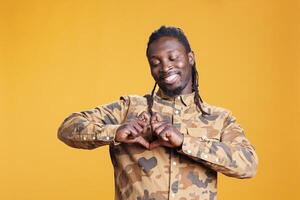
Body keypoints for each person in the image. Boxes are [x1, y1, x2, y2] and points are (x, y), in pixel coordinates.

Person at [57, 25, 258, 200]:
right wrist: (114, 132)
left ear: (190, 58)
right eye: (155, 62)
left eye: (173, 57)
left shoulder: (218, 118)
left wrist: (184, 142)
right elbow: (67, 128)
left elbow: (248, 165)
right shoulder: (128, 108)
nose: (165, 67)